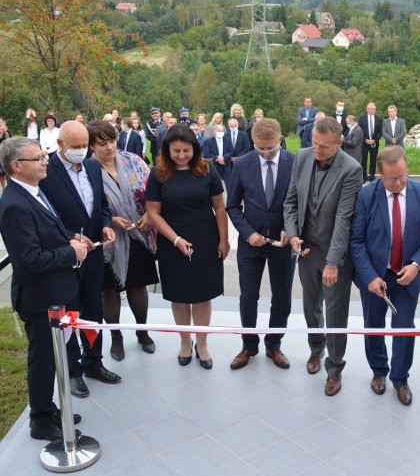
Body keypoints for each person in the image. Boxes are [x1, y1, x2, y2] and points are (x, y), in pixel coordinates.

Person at [0, 137, 89, 440]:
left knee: (56, 358)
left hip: (57, 293)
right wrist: (71, 253)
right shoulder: (14, 204)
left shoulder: (33, 192)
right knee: (44, 362)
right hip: (41, 299)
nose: (45, 161)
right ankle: (40, 419)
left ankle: (52, 410)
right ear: (16, 166)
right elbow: (28, 260)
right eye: (37, 158)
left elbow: (50, 229)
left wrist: (73, 240)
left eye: (43, 156)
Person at [350, 146, 420, 405]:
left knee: (403, 329)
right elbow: (356, 241)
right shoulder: (366, 196)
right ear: (379, 175)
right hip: (375, 277)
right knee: (374, 326)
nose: (399, 183)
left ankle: (400, 379)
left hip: (407, 277)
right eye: (392, 179)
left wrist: (417, 264)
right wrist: (369, 276)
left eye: (402, 176)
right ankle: (379, 371)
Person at [284, 117, 363, 396]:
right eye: (314, 143)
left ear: (339, 144)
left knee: (336, 312)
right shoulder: (303, 157)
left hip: (335, 254)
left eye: (324, 147)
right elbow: (291, 200)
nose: (317, 150)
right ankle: (316, 349)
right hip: (306, 251)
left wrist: (333, 262)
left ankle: (334, 368)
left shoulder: (351, 170)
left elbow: (344, 219)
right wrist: (292, 234)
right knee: (310, 305)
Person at [41, 120, 120, 397]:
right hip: (65, 256)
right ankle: (73, 371)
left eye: (85, 146)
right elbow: (43, 216)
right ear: (60, 144)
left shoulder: (93, 166)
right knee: (69, 314)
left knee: (93, 311)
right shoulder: (45, 171)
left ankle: (93, 362)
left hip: (95, 253)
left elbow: (101, 207)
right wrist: (71, 235)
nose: (81, 151)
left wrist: (106, 223)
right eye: (75, 147)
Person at [146, 124, 230, 369]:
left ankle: (202, 345)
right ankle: (185, 342)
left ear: (194, 148)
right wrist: (176, 240)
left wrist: (223, 240)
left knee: (203, 295)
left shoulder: (207, 169)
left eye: (186, 150)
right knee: (180, 296)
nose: (181, 155)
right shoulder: (158, 174)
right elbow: (153, 213)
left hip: (205, 238)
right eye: (176, 151)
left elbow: (220, 208)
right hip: (172, 240)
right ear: (166, 151)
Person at [226, 119, 297, 371]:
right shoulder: (243, 163)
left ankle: (274, 344)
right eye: (260, 148)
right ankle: (249, 345)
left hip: (283, 244)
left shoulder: (294, 162)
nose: (266, 153)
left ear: (280, 139)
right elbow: (232, 205)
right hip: (250, 244)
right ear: (252, 142)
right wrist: (247, 233)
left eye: (271, 148)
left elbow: (301, 203)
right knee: (248, 297)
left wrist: (291, 230)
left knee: (282, 297)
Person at [87, 121, 159, 361]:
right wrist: (109, 220)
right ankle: (116, 337)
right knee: (108, 291)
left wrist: (150, 213)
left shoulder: (133, 161)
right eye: (102, 143)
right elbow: (86, 206)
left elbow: (154, 191)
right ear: (91, 145)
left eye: (112, 141)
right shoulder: (87, 170)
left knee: (138, 286)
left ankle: (142, 331)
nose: (109, 147)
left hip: (139, 234)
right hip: (108, 239)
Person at [359, 102, 383, 182]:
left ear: (375, 110)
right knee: (363, 160)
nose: (371, 110)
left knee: (373, 160)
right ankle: (364, 176)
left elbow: (380, 132)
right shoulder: (362, 118)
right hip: (364, 143)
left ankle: (372, 176)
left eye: (372, 109)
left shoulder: (378, 119)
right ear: (367, 109)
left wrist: (374, 140)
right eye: (369, 109)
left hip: (374, 143)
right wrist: (365, 140)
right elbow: (359, 130)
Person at [0, 119, 10, 191]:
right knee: (0, 174)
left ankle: (9, 187)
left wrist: (6, 133)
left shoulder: (7, 130)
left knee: (7, 171)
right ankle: (3, 188)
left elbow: (9, 140)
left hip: (6, 151)